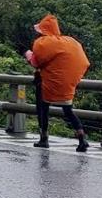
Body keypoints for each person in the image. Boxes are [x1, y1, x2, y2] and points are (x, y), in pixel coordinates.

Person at [25, 14, 91, 152]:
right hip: (66, 83)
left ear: (44, 30)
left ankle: (44, 138)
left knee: (43, 110)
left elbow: (36, 62)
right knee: (68, 111)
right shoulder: (71, 41)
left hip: (47, 82)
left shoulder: (44, 43)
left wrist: (28, 55)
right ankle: (82, 137)